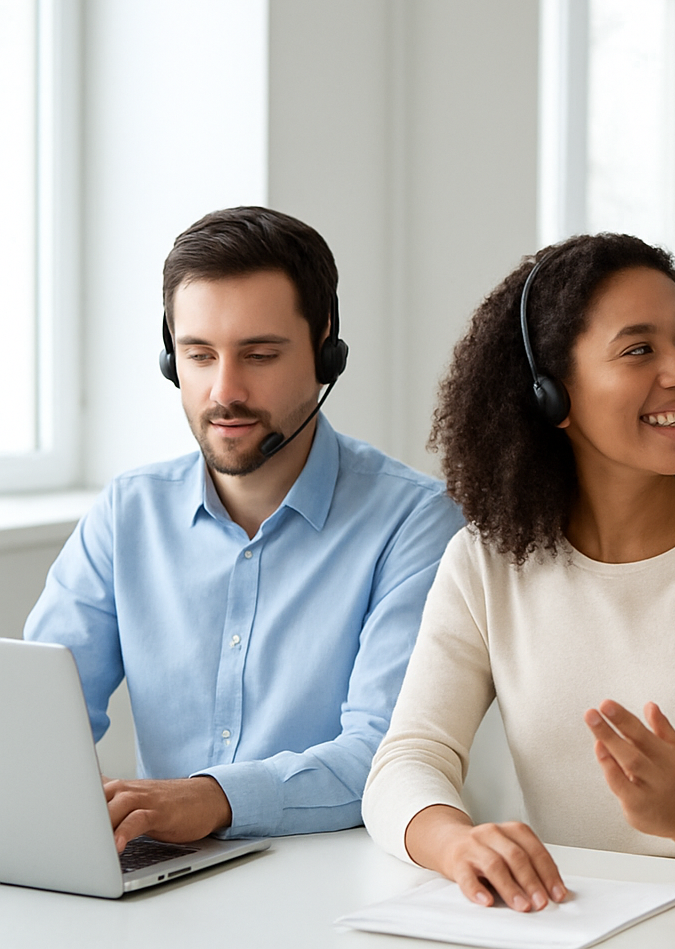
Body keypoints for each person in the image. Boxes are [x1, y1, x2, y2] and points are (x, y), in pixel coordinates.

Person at [362, 233, 675, 911]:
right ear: (550, 396)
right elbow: (405, 763)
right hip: (567, 926)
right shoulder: (485, 564)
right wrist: (456, 844)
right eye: (639, 350)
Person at [25, 206, 464, 848]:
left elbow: (387, 753)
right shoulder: (128, 513)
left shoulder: (415, 523)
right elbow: (37, 723)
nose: (223, 391)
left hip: (334, 876)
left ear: (326, 352)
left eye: (259, 354)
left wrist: (211, 798)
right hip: (163, 880)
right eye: (198, 355)